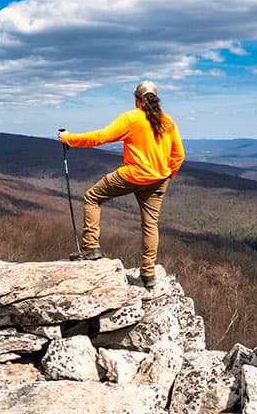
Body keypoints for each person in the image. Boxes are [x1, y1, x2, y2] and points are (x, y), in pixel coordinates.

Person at [58, 80, 185, 288]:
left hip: (133, 175)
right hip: (158, 180)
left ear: (137, 100)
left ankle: (91, 249)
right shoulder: (168, 121)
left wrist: (68, 138)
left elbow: (102, 137)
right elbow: (179, 155)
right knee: (150, 225)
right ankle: (148, 273)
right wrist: (166, 175)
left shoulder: (132, 118)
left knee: (92, 197)